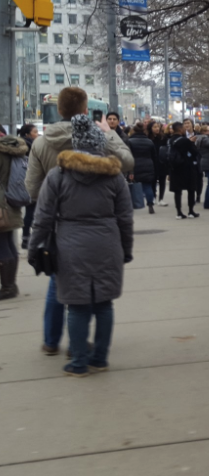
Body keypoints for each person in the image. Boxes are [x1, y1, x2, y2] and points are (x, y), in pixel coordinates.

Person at [26, 87, 134, 356]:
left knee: (58, 284)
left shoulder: (41, 143)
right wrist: (110, 135)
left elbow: (31, 189)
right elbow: (128, 163)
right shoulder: (98, 137)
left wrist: (55, 200)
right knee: (97, 297)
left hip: (60, 225)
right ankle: (86, 349)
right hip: (98, 228)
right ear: (86, 110)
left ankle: (52, 341)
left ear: (59, 110)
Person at [0, 134, 31, 300]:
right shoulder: (14, 150)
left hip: (1, 204)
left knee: (2, 245)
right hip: (12, 201)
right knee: (8, 243)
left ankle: (7, 287)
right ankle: (10, 284)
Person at [168, 122, 200, 219]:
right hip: (187, 168)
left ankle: (179, 212)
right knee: (191, 189)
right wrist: (192, 143)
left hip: (175, 168)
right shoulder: (185, 141)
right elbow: (195, 152)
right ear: (181, 129)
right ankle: (191, 211)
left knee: (177, 191)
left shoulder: (170, 140)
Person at [127, 122, 160, 214]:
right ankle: (150, 204)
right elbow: (154, 156)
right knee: (148, 186)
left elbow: (128, 155)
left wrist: (130, 171)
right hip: (148, 165)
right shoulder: (149, 141)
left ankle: (133, 204)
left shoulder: (130, 141)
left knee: (133, 186)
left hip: (135, 165)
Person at [18, 124, 39, 249]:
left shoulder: (22, 145)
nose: (37, 134)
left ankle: (26, 237)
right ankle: (27, 237)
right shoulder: (29, 147)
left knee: (30, 212)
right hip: (30, 182)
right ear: (27, 134)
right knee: (31, 211)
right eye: (35, 132)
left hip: (25, 182)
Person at [149, 121, 169, 206]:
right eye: (154, 127)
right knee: (153, 181)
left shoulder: (163, 138)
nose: (157, 128)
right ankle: (153, 197)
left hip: (162, 162)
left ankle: (161, 199)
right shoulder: (148, 138)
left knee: (162, 181)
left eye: (158, 127)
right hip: (152, 163)